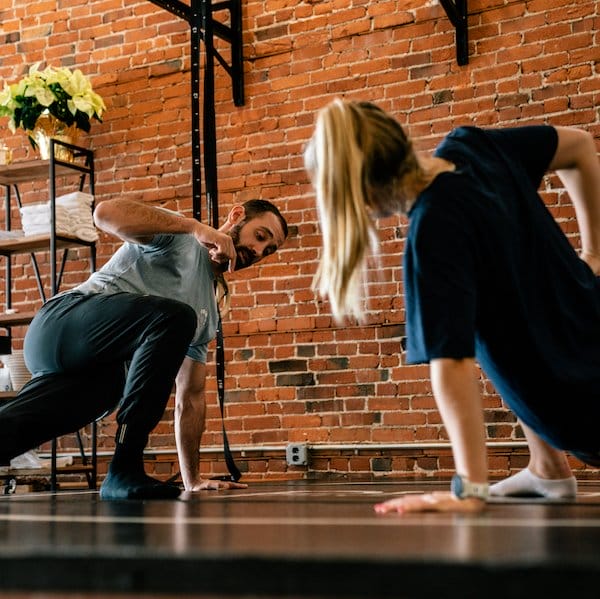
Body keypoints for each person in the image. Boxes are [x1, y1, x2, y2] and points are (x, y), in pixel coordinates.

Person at [304, 98, 600, 514]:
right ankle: (546, 466)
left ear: (361, 195)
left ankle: (546, 464)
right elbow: (580, 148)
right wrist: (594, 252)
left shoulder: (433, 231)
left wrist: (471, 490)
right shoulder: (473, 149)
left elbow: (452, 366)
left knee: (478, 319)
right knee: (495, 302)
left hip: (582, 404)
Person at [0, 198, 288, 500]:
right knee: (175, 316)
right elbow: (105, 214)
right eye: (260, 236)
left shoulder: (208, 312)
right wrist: (193, 227)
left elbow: (189, 397)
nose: (258, 252)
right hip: (62, 325)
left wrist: (193, 480)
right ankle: (125, 467)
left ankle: (118, 471)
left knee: (18, 429)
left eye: (268, 251)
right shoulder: (182, 239)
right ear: (237, 215)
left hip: (97, 374)